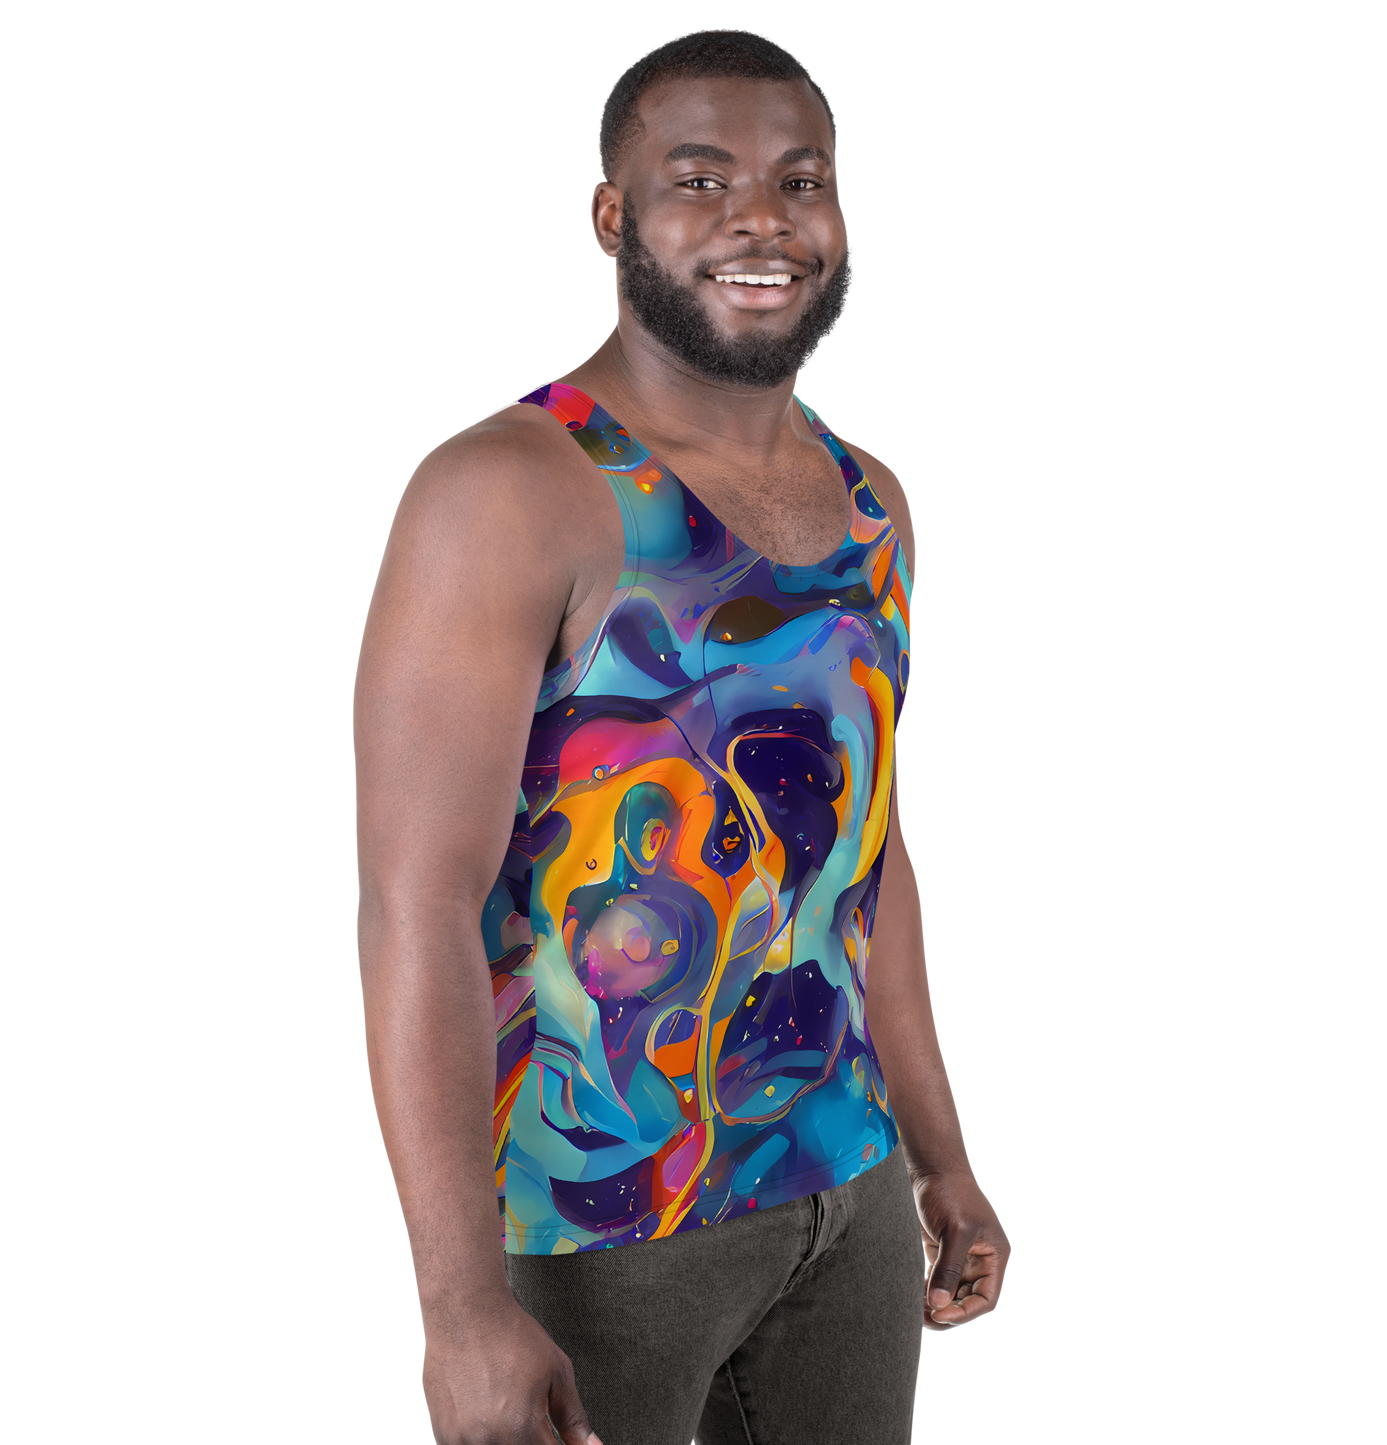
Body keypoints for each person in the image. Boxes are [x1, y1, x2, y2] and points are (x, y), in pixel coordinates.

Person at [352, 27, 1012, 1445]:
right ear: (613, 216)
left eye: (800, 182)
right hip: (593, 1229)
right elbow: (415, 907)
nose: (760, 221)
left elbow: (870, 858)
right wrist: (458, 1307)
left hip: (846, 1196)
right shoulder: (506, 491)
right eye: (701, 181)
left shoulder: (874, 499)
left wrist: (939, 1151)